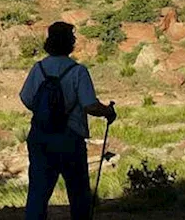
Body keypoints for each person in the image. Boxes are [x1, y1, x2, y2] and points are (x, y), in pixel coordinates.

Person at [18, 21, 117, 220]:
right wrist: (107, 111)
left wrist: (46, 114)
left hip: (40, 136)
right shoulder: (77, 71)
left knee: (38, 193)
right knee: (79, 193)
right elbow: (90, 105)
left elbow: (26, 98)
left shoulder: (38, 68)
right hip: (69, 137)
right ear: (70, 42)